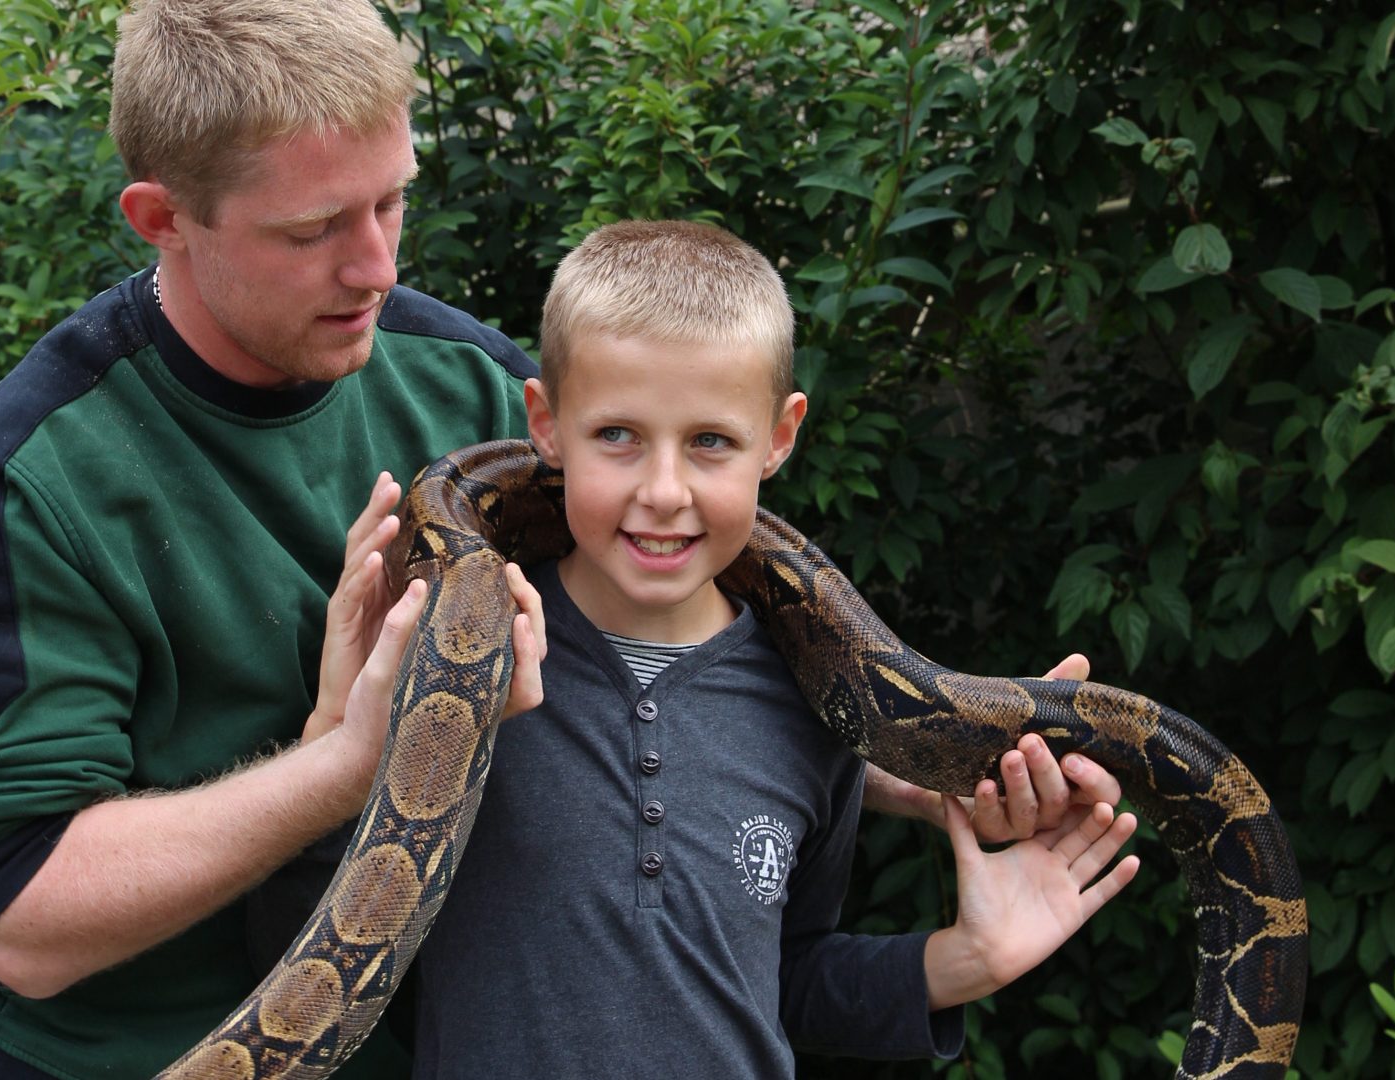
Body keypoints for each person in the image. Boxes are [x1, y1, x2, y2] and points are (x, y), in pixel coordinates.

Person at [0, 2, 1124, 1077]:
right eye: (315, 229)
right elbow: (26, 926)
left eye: (393, 200)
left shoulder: (467, 387)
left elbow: (669, 611)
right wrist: (344, 760)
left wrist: (887, 741)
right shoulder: (22, 482)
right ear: (163, 218)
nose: (374, 266)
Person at [405, 221, 1142, 1079]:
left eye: (711, 441)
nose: (664, 490)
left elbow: (779, 981)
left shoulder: (817, 709)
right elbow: (319, 936)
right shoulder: (462, 668)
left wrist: (964, 962)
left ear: (780, 438)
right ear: (546, 424)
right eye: (618, 435)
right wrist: (339, 732)